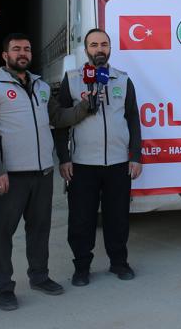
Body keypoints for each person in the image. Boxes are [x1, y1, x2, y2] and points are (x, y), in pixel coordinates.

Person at [0, 33, 92, 311]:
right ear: (5, 55)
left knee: (39, 230)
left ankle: (39, 276)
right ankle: (4, 287)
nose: (22, 53)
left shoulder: (41, 85)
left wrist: (85, 106)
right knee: (2, 233)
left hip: (42, 173)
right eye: (16, 49)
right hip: (9, 175)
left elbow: (58, 118)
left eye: (26, 49)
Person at [54, 29, 143, 286]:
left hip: (118, 163)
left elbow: (133, 119)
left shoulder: (123, 80)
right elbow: (60, 122)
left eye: (104, 44)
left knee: (118, 217)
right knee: (81, 219)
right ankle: (82, 267)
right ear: (86, 50)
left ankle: (119, 262)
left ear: (110, 48)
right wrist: (64, 158)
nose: (99, 49)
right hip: (82, 164)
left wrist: (135, 156)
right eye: (94, 45)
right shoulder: (72, 79)